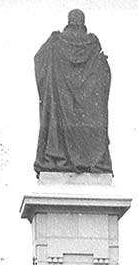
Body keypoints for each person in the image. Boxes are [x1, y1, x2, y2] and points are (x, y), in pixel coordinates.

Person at [34, 8, 112, 175]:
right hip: (88, 111)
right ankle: (88, 159)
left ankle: (59, 157)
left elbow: (39, 61)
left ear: (69, 21)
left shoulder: (55, 43)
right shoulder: (93, 44)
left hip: (61, 106)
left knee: (58, 121)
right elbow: (104, 76)